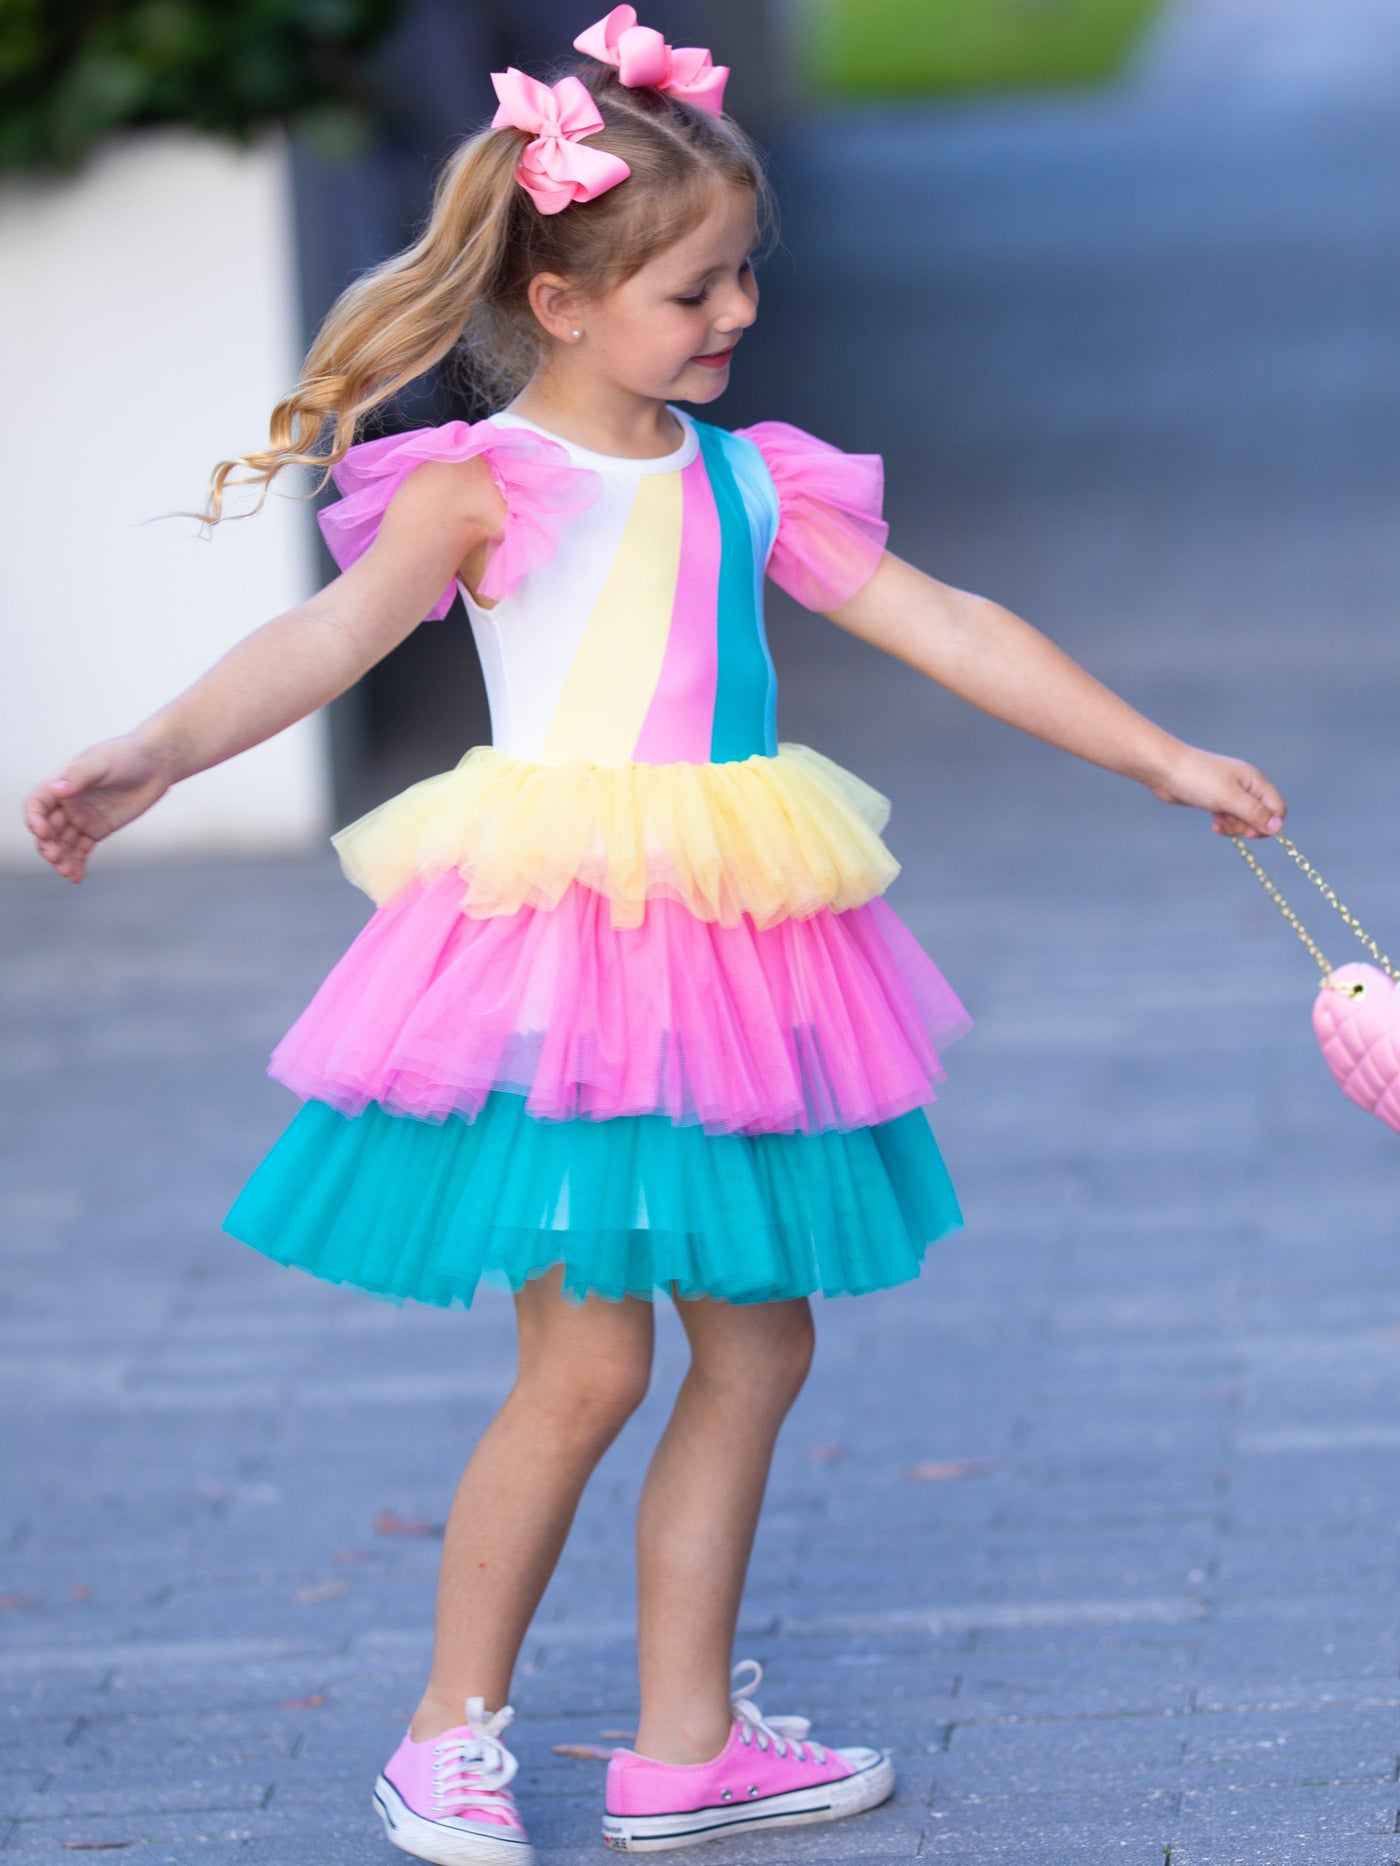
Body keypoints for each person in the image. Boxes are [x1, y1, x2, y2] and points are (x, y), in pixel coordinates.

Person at [22, 8, 1287, 1861]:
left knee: (759, 1352)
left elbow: (950, 622)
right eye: (695, 291)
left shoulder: (749, 479)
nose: (737, 317)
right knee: (591, 1361)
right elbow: (318, 642)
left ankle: (686, 1745)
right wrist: (149, 748)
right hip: (563, 949)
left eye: (742, 280)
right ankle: (447, 1731)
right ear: (557, 297)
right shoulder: (481, 487)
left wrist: (1163, 753)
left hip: (742, 942)